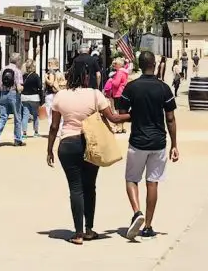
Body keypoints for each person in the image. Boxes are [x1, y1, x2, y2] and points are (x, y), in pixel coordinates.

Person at [46, 61, 129, 245]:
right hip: (90, 143)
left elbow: (53, 126)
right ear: (86, 77)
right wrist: (136, 114)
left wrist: (49, 149)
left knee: (75, 188)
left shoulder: (60, 96)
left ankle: (77, 234)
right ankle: (89, 229)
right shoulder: (95, 95)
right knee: (90, 186)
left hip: (67, 144)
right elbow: (113, 118)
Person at [115, 50, 179, 241]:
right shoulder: (164, 88)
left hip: (138, 142)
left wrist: (138, 113)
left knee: (131, 179)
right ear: (155, 64)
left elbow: (122, 112)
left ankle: (137, 212)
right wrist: (174, 144)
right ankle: (149, 226)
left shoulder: (131, 87)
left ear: (140, 65)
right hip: (159, 142)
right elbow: (170, 117)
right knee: (153, 182)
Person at [0, 55, 25, 148]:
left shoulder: (2, 70)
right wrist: (21, 88)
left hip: (3, 95)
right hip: (14, 94)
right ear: (17, 61)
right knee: (17, 117)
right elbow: (19, 87)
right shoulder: (17, 71)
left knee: (3, 117)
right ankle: (18, 140)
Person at [104, 57, 130, 135]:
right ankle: (121, 127)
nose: (114, 65)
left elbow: (116, 83)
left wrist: (111, 80)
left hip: (118, 93)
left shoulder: (119, 72)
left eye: (115, 63)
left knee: (117, 111)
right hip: (123, 92)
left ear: (119, 64)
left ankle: (119, 127)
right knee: (122, 111)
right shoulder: (124, 72)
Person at [21, 60, 45, 138]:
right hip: (34, 97)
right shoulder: (36, 76)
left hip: (24, 97)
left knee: (25, 115)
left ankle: (24, 133)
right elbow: (40, 86)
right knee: (35, 115)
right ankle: (36, 132)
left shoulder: (23, 76)